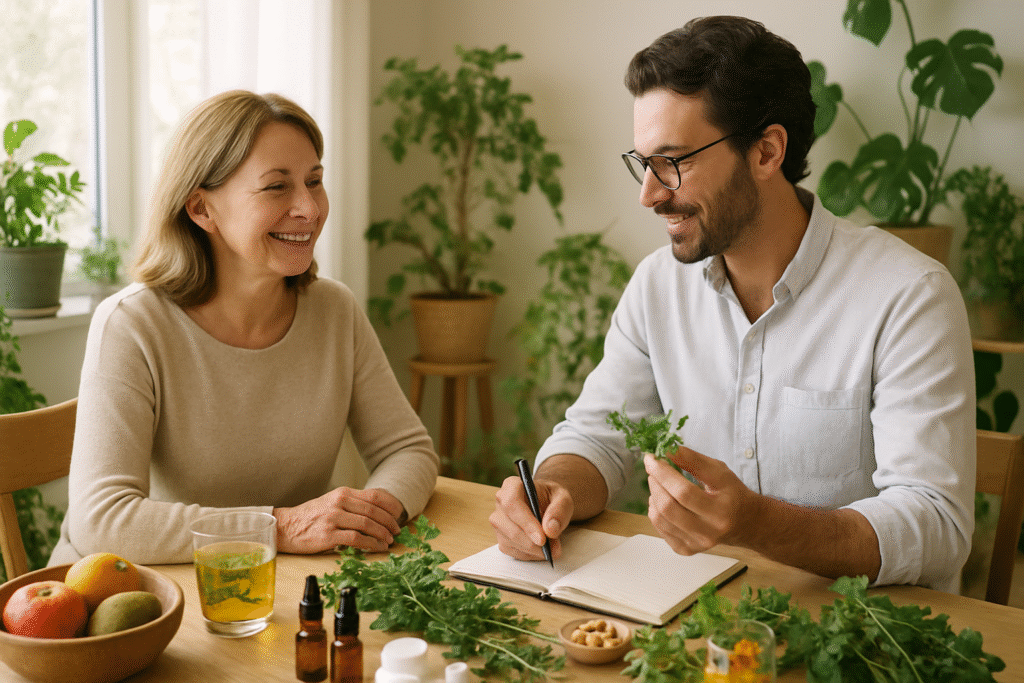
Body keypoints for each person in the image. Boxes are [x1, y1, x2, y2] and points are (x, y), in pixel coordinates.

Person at [490, 16, 975, 593]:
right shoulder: (657, 287)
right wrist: (553, 489)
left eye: (674, 162)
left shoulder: (908, 296)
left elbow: (937, 524)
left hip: (864, 637)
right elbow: (596, 439)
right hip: (704, 626)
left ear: (767, 151)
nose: (649, 195)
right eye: (644, 163)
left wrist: (756, 522)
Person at [50, 90, 439, 566]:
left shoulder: (334, 310)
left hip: (281, 583)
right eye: (277, 187)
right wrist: (283, 527)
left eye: (314, 182)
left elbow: (408, 449)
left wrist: (371, 516)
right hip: (145, 593)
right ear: (201, 210)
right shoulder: (131, 325)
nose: (310, 209)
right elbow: (103, 522)